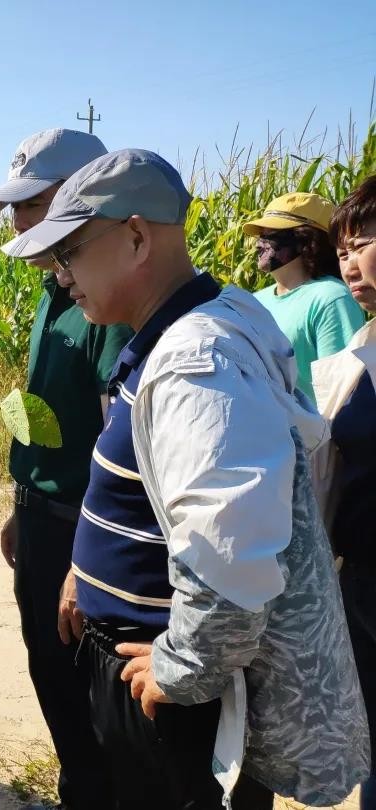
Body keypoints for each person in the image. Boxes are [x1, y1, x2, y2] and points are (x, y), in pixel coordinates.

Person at [7, 149, 369, 809]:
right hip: (142, 658)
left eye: (70, 255)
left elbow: (232, 554)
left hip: (171, 696)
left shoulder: (194, 361)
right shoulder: (176, 331)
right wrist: (83, 575)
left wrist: (182, 668)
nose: (62, 278)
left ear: (137, 237)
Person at [0, 127, 125, 810]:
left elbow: (114, 439)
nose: (17, 222)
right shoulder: (53, 291)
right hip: (42, 518)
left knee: (89, 692)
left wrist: (83, 557)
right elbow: (48, 415)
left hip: (81, 528)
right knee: (49, 671)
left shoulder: (106, 302)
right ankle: (78, 787)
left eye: (30, 204)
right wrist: (19, 504)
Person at [312, 173, 376, 809]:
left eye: (361, 245)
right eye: (341, 251)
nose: (348, 263)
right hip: (359, 579)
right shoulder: (362, 348)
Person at [243, 192, 365, 401]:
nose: (259, 244)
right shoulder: (255, 301)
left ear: (306, 240)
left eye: (270, 234)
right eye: (260, 235)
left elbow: (342, 392)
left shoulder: (330, 299)